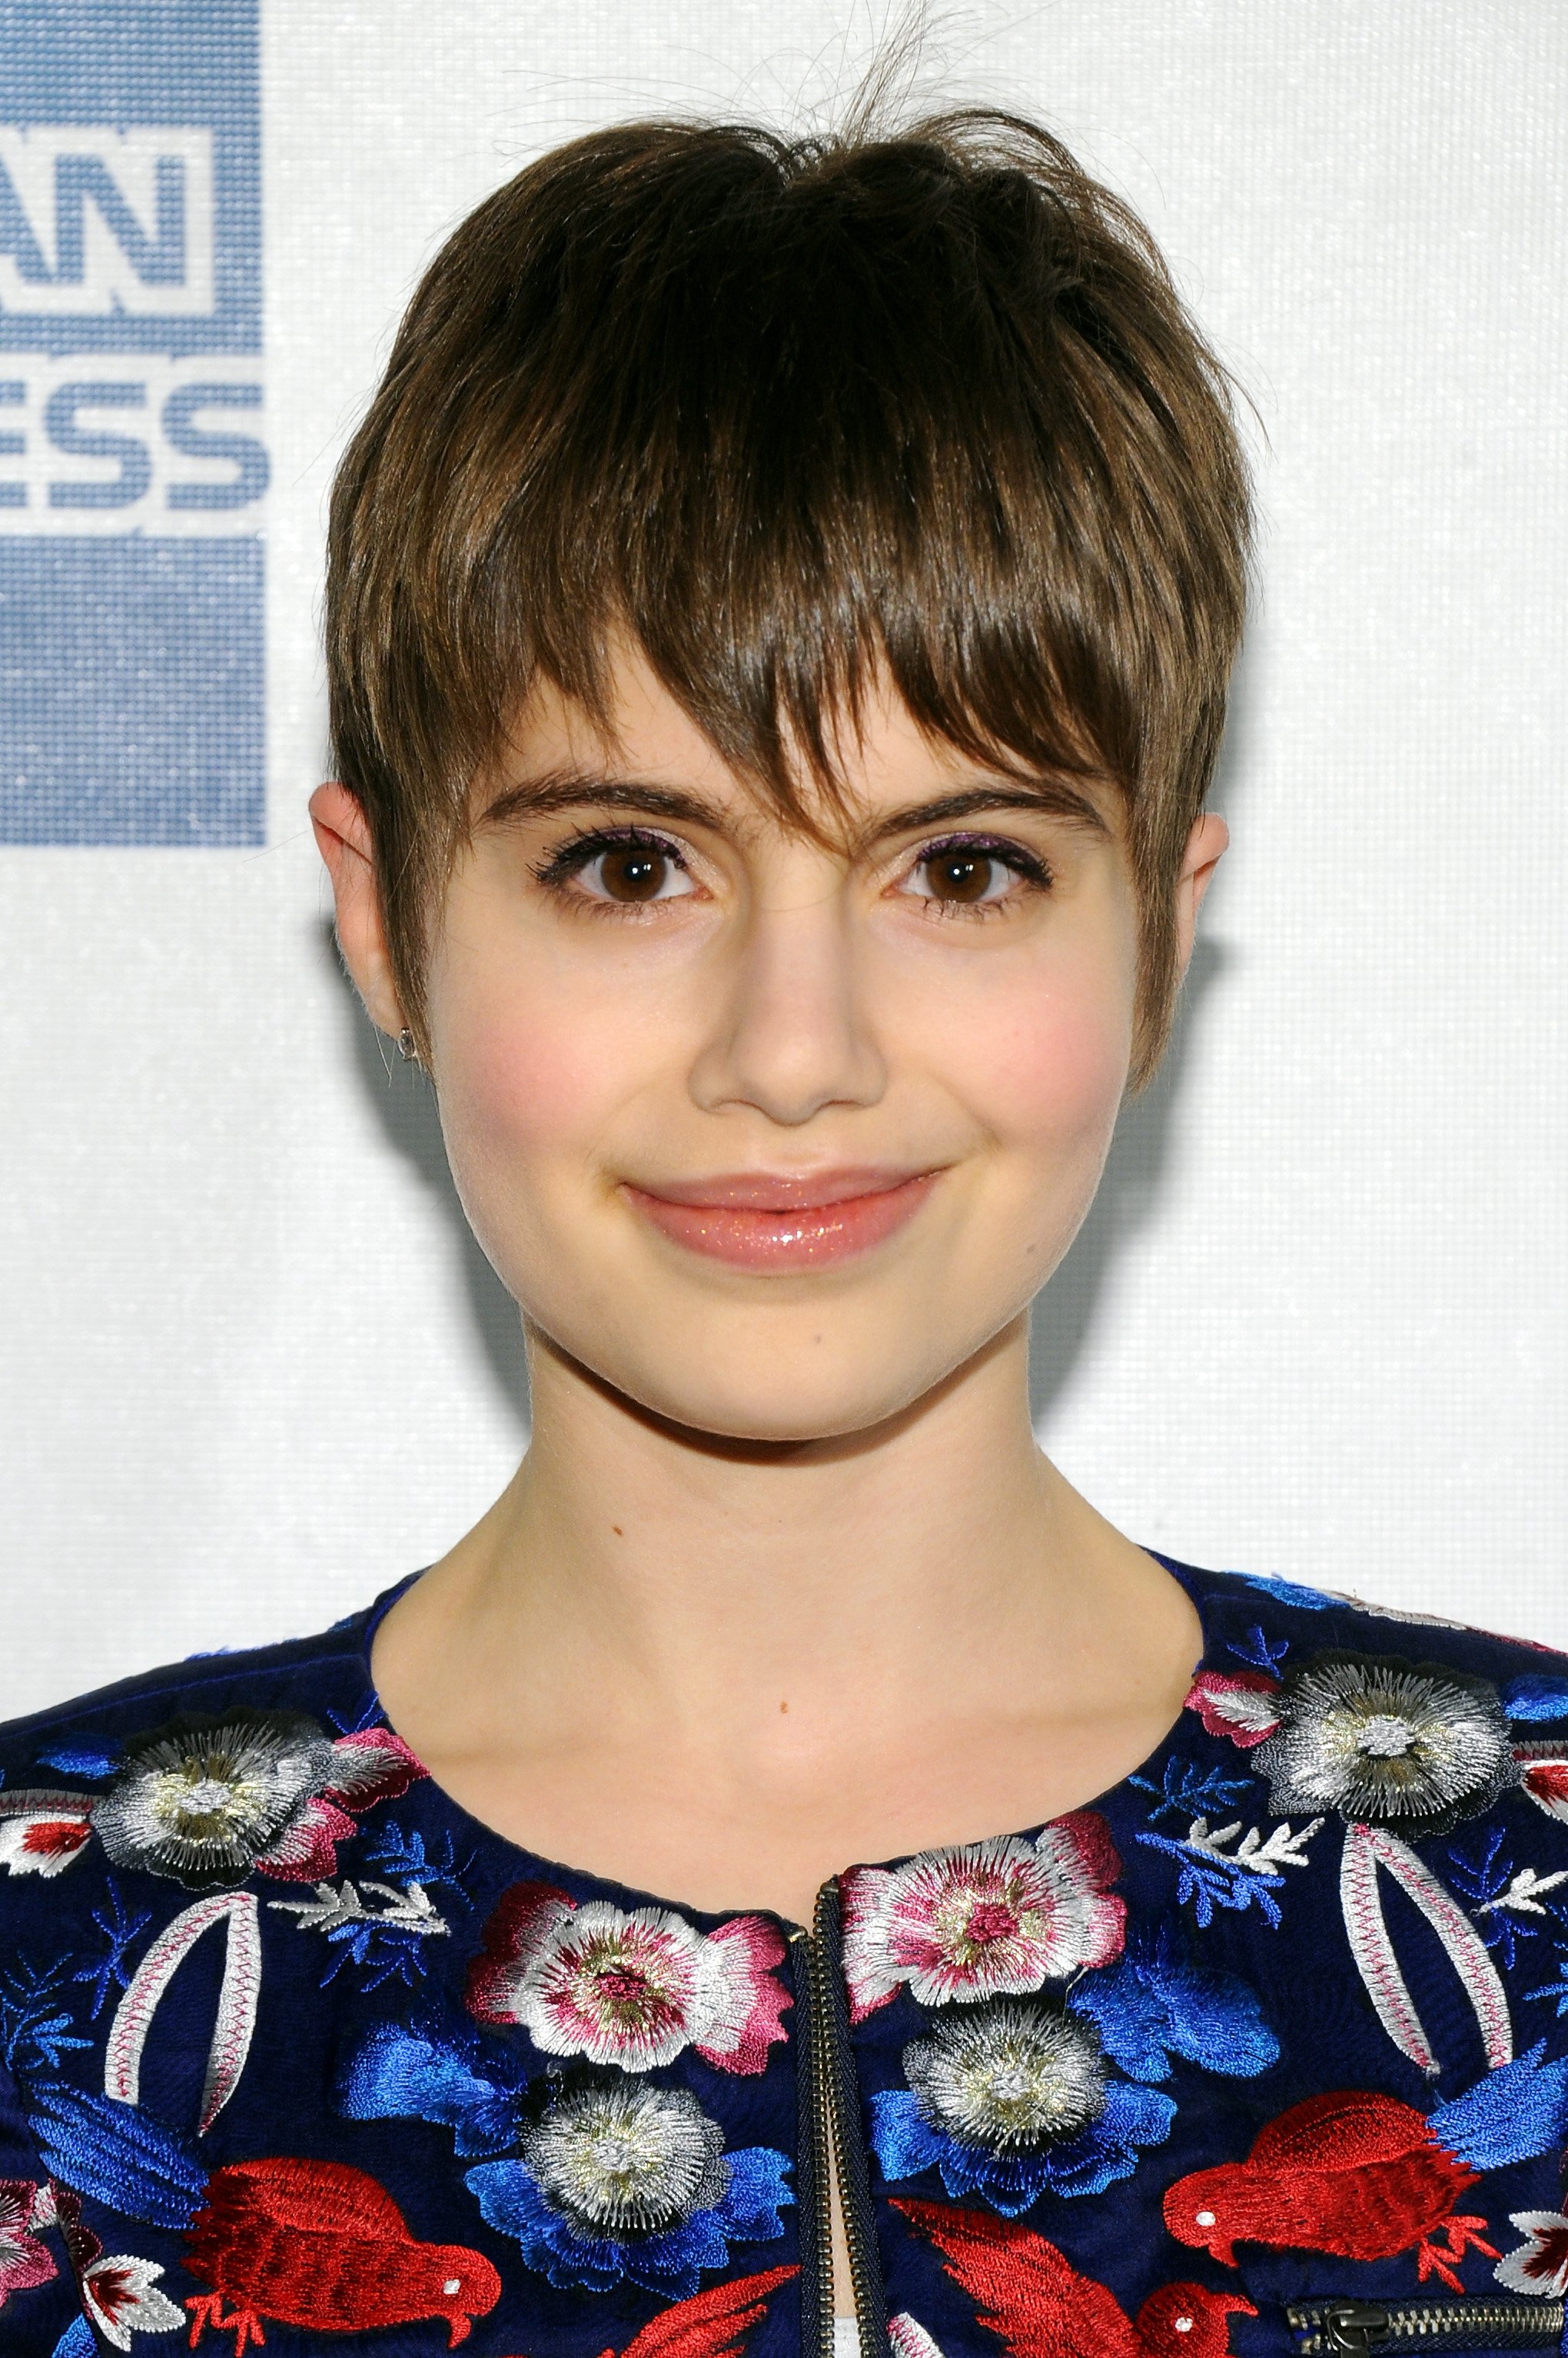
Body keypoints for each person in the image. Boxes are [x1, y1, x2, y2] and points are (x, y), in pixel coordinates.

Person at [2, 104, 1566, 2358]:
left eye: (963, 866)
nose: (794, 1047)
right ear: (384, 919)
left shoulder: (1529, 1906)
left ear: (1156, 939)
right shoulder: (48, 1965)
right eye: (631, 861)